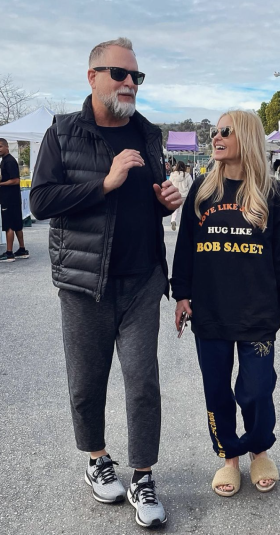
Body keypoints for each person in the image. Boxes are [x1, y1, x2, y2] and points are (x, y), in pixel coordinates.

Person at [30, 37, 182, 528]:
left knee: (143, 382)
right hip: (83, 282)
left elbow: (147, 194)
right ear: (92, 77)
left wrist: (164, 199)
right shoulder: (63, 133)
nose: (130, 83)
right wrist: (104, 183)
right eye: (120, 73)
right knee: (87, 381)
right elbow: (42, 201)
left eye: (136, 76)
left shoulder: (149, 133)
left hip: (141, 280)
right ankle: (97, 459)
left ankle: (143, 477)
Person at [171, 110, 280, 498]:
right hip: (210, 312)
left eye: (225, 131)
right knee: (217, 390)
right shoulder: (201, 188)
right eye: (215, 131)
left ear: (245, 137)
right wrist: (181, 294)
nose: (216, 137)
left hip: (258, 313)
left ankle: (260, 449)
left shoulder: (272, 192)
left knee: (257, 388)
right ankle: (230, 457)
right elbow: (185, 250)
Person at [0, 139, 30, 262]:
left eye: (0, 146)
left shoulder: (9, 161)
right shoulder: (5, 161)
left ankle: (9, 252)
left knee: (9, 225)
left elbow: (16, 180)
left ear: (7, 147)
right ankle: (22, 250)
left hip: (9, 198)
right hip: (13, 198)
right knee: (17, 224)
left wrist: (1, 184)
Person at [169, 160, 192, 230]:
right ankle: (182, 223)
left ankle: (173, 220)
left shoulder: (172, 175)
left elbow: (170, 184)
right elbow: (191, 186)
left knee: (175, 209)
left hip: (175, 194)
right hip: (184, 195)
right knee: (184, 210)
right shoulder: (187, 175)